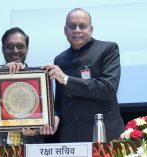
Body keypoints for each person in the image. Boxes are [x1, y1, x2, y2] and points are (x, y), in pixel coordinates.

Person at [42, 8, 124, 142]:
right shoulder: (60, 59)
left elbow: (108, 88)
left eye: (82, 26)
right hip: (71, 139)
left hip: (104, 135)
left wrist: (66, 79)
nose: (77, 30)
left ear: (91, 29)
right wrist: (54, 116)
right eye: (72, 26)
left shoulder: (108, 49)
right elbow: (60, 102)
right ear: (65, 30)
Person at [0, 27, 59, 146]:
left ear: (27, 49)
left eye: (20, 46)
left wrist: (39, 129)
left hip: (28, 148)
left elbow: (47, 116)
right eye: (10, 46)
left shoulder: (39, 79)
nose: (15, 50)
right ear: (3, 49)